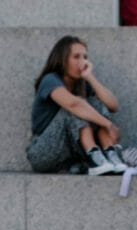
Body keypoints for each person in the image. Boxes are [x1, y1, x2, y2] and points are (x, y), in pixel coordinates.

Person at [29, 35, 125, 177]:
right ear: (62, 59)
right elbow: (74, 104)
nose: (82, 62)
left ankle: (110, 154)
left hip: (70, 156)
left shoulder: (83, 84)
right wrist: (108, 125)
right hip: (43, 153)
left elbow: (113, 105)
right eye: (76, 57)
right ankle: (94, 156)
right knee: (76, 105)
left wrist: (90, 77)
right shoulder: (50, 80)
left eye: (84, 57)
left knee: (95, 103)